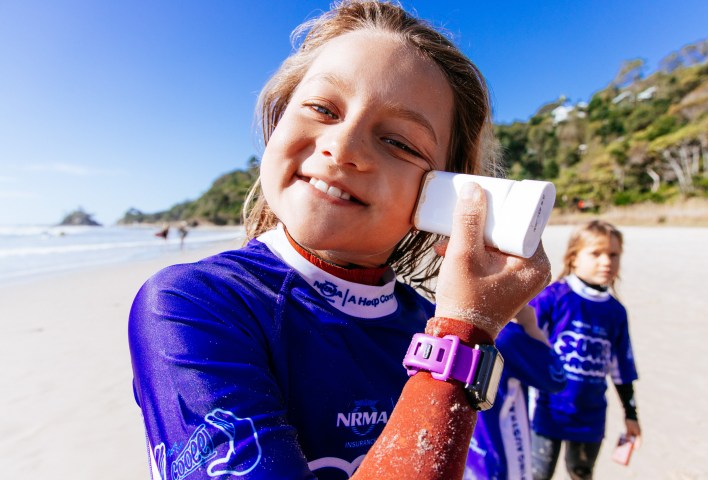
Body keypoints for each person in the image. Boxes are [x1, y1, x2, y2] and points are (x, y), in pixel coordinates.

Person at [128, 2, 550, 479]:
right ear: (277, 119)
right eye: (322, 108)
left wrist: (469, 326)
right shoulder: (193, 304)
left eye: (399, 142)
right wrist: (461, 338)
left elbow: (544, 383)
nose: (343, 146)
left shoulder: (427, 321)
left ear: (445, 194)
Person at [528, 220, 641, 480]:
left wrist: (631, 414)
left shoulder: (615, 312)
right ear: (574, 257)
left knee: (582, 472)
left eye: (614, 255)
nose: (606, 262)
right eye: (596, 253)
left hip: (590, 414)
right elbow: (521, 342)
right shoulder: (554, 297)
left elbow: (622, 368)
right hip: (547, 410)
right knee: (537, 475)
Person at [464, 305, 566, 480]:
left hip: (468, 451)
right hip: (504, 456)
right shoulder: (508, 337)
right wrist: (531, 326)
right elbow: (557, 378)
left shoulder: (438, 321)